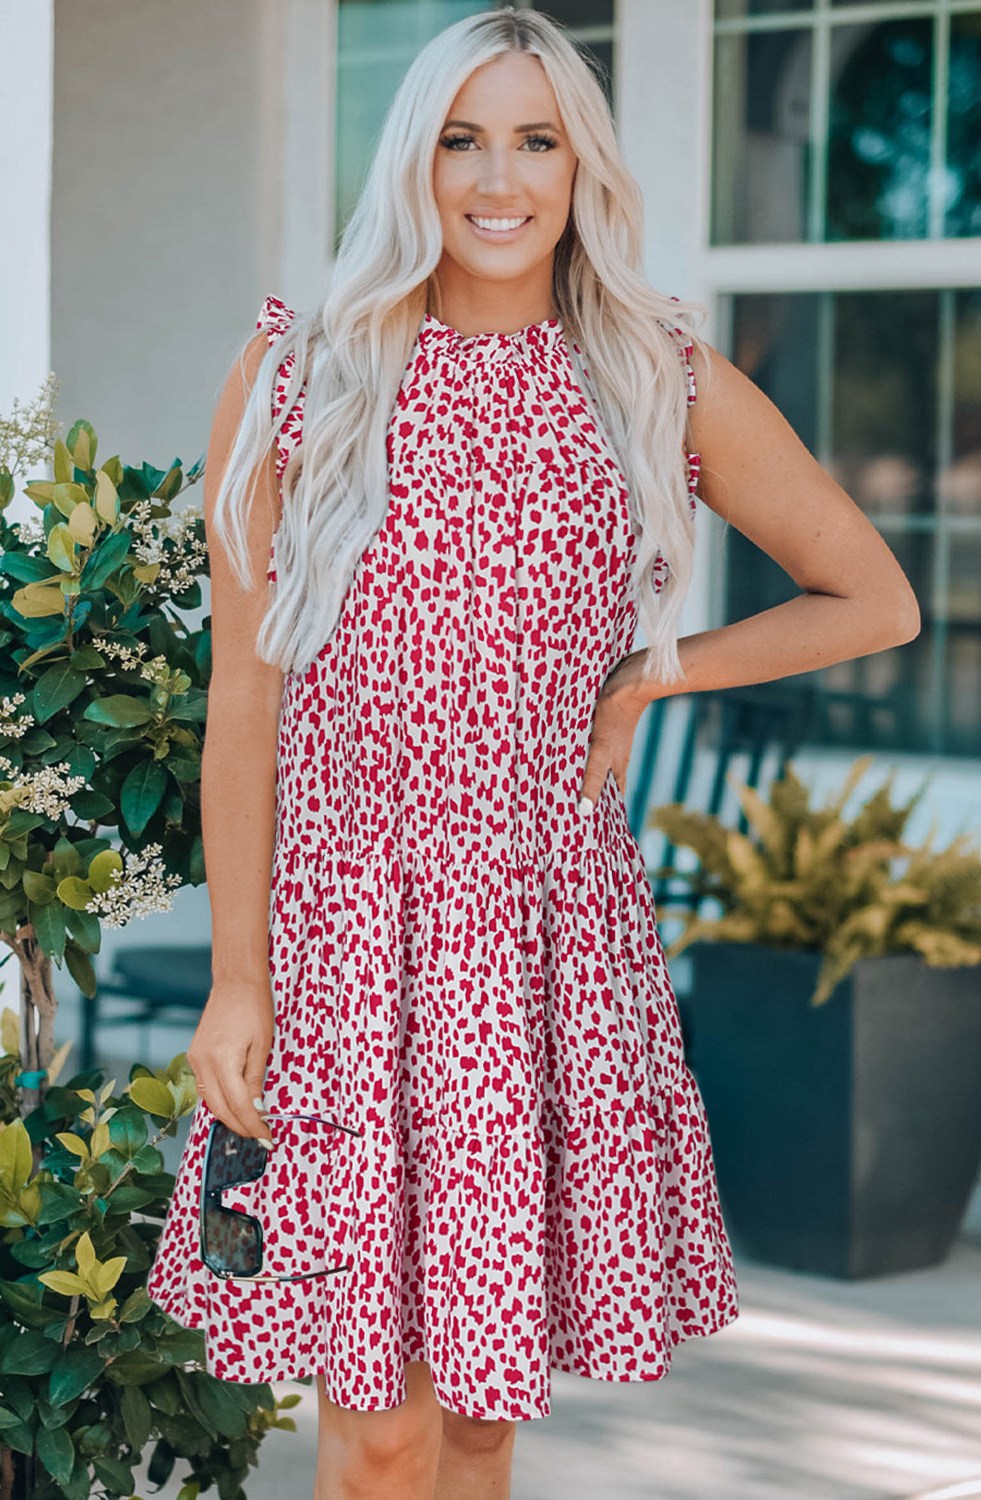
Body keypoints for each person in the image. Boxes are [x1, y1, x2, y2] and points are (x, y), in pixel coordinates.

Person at [145, 8, 921, 1499]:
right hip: (347, 936)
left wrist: (653, 671)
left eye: (535, 139)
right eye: (460, 138)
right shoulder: (300, 375)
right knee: (373, 1431)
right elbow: (242, 699)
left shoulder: (650, 372)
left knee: (484, 1419)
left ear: (580, 167)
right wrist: (237, 975)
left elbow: (872, 598)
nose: (496, 179)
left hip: (539, 936)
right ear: (412, 161)